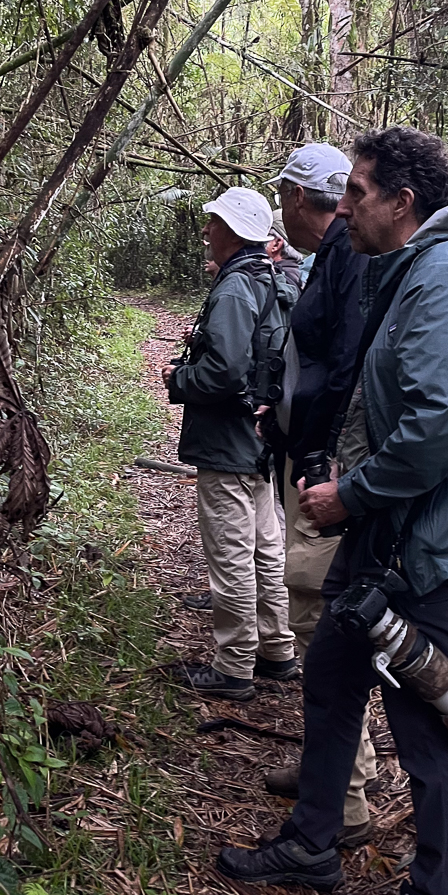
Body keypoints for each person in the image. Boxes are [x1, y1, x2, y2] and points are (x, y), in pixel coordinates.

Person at [216, 127, 448, 895]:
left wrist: (349, 494)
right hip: (385, 529)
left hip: (421, 539)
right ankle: (314, 841)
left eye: (356, 192)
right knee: (330, 674)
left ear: (403, 202)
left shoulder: (442, 277)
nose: (342, 205)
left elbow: (434, 430)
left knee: (426, 718)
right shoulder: (403, 269)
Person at [260, 142, 379, 849]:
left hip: (325, 470)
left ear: (300, 198)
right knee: (316, 617)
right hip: (314, 458)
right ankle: (330, 768)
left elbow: (346, 371)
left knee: (315, 617)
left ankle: (347, 795)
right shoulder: (333, 256)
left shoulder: (350, 256)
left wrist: (314, 454)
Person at [164, 187, 298, 701]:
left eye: (214, 223)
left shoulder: (236, 288)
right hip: (261, 440)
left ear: (235, 232)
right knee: (266, 548)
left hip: (228, 443)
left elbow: (223, 372)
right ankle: (277, 650)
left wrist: (179, 379)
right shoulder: (270, 278)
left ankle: (234, 667)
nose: (206, 231)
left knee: (232, 555)